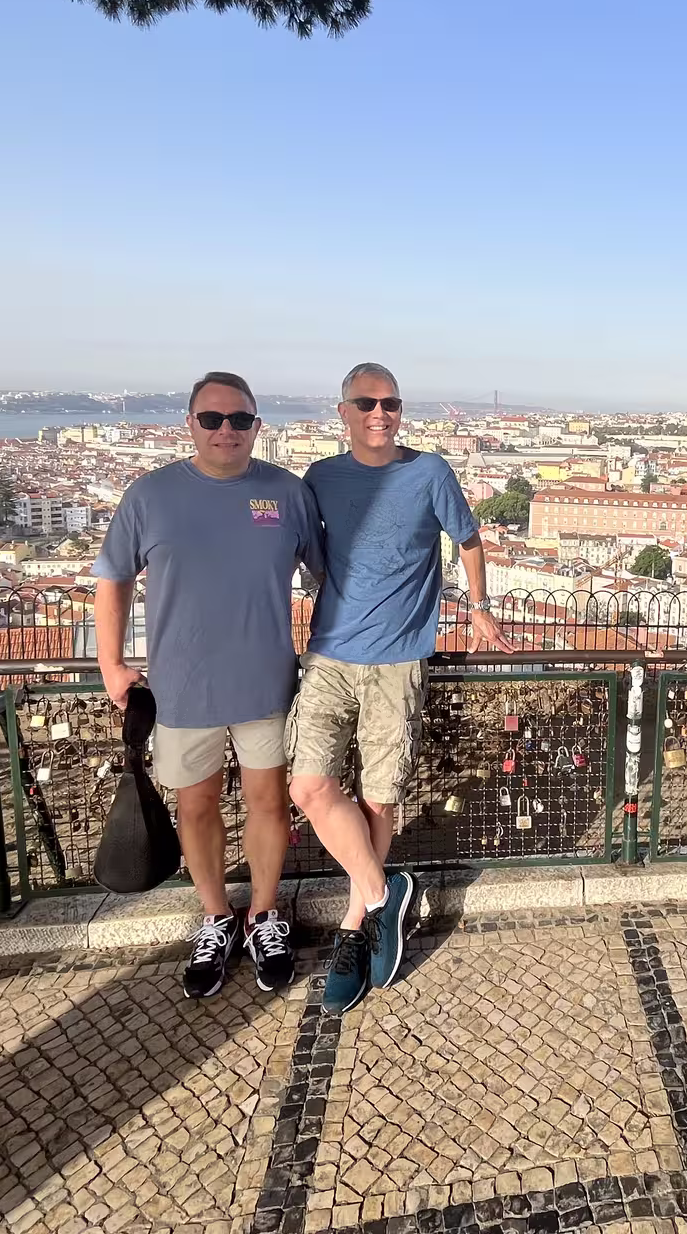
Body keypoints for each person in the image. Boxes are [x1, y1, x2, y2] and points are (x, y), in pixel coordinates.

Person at [288, 362, 514, 1013]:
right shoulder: (320, 479)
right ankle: (385, 893)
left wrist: (477, 605)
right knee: (309, 785)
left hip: (397, 665)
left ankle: (355, 930)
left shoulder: (431, 472)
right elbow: (302, 555)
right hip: (329, 656)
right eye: (367, 403)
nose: (380, 413)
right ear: (344, 412)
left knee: (380, 801)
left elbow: (468, 540)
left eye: (390, 403)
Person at [93, 372, 322, 999]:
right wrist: (111, 664)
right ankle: (216, 917)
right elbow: (111, 579)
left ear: (256, 426)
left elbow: (329, 577)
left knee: (270, 805)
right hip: (183, 688)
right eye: (212, 419)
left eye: (239, 420)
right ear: (189, 424)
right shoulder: (150, 495)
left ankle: (266, 914)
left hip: (268, 684)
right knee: (195, 807)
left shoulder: (286, 494)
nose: (226, 430)